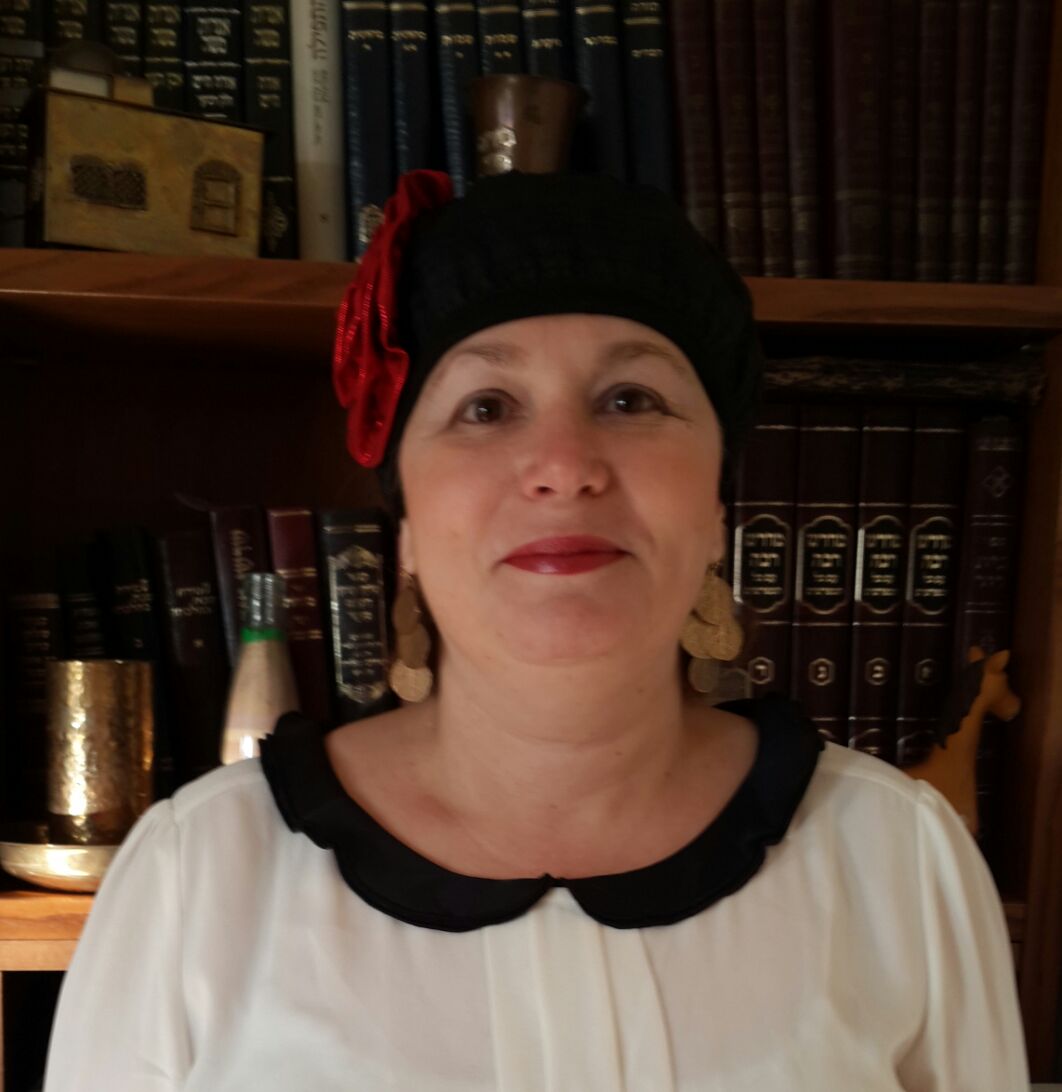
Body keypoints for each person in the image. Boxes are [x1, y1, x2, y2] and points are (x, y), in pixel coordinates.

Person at [43, 169, 1027, 1090]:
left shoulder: (898, 860)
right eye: (486, 407)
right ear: (406, 521)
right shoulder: (195, 878)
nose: (564, 466)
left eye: (631, 400)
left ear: (718, 506)